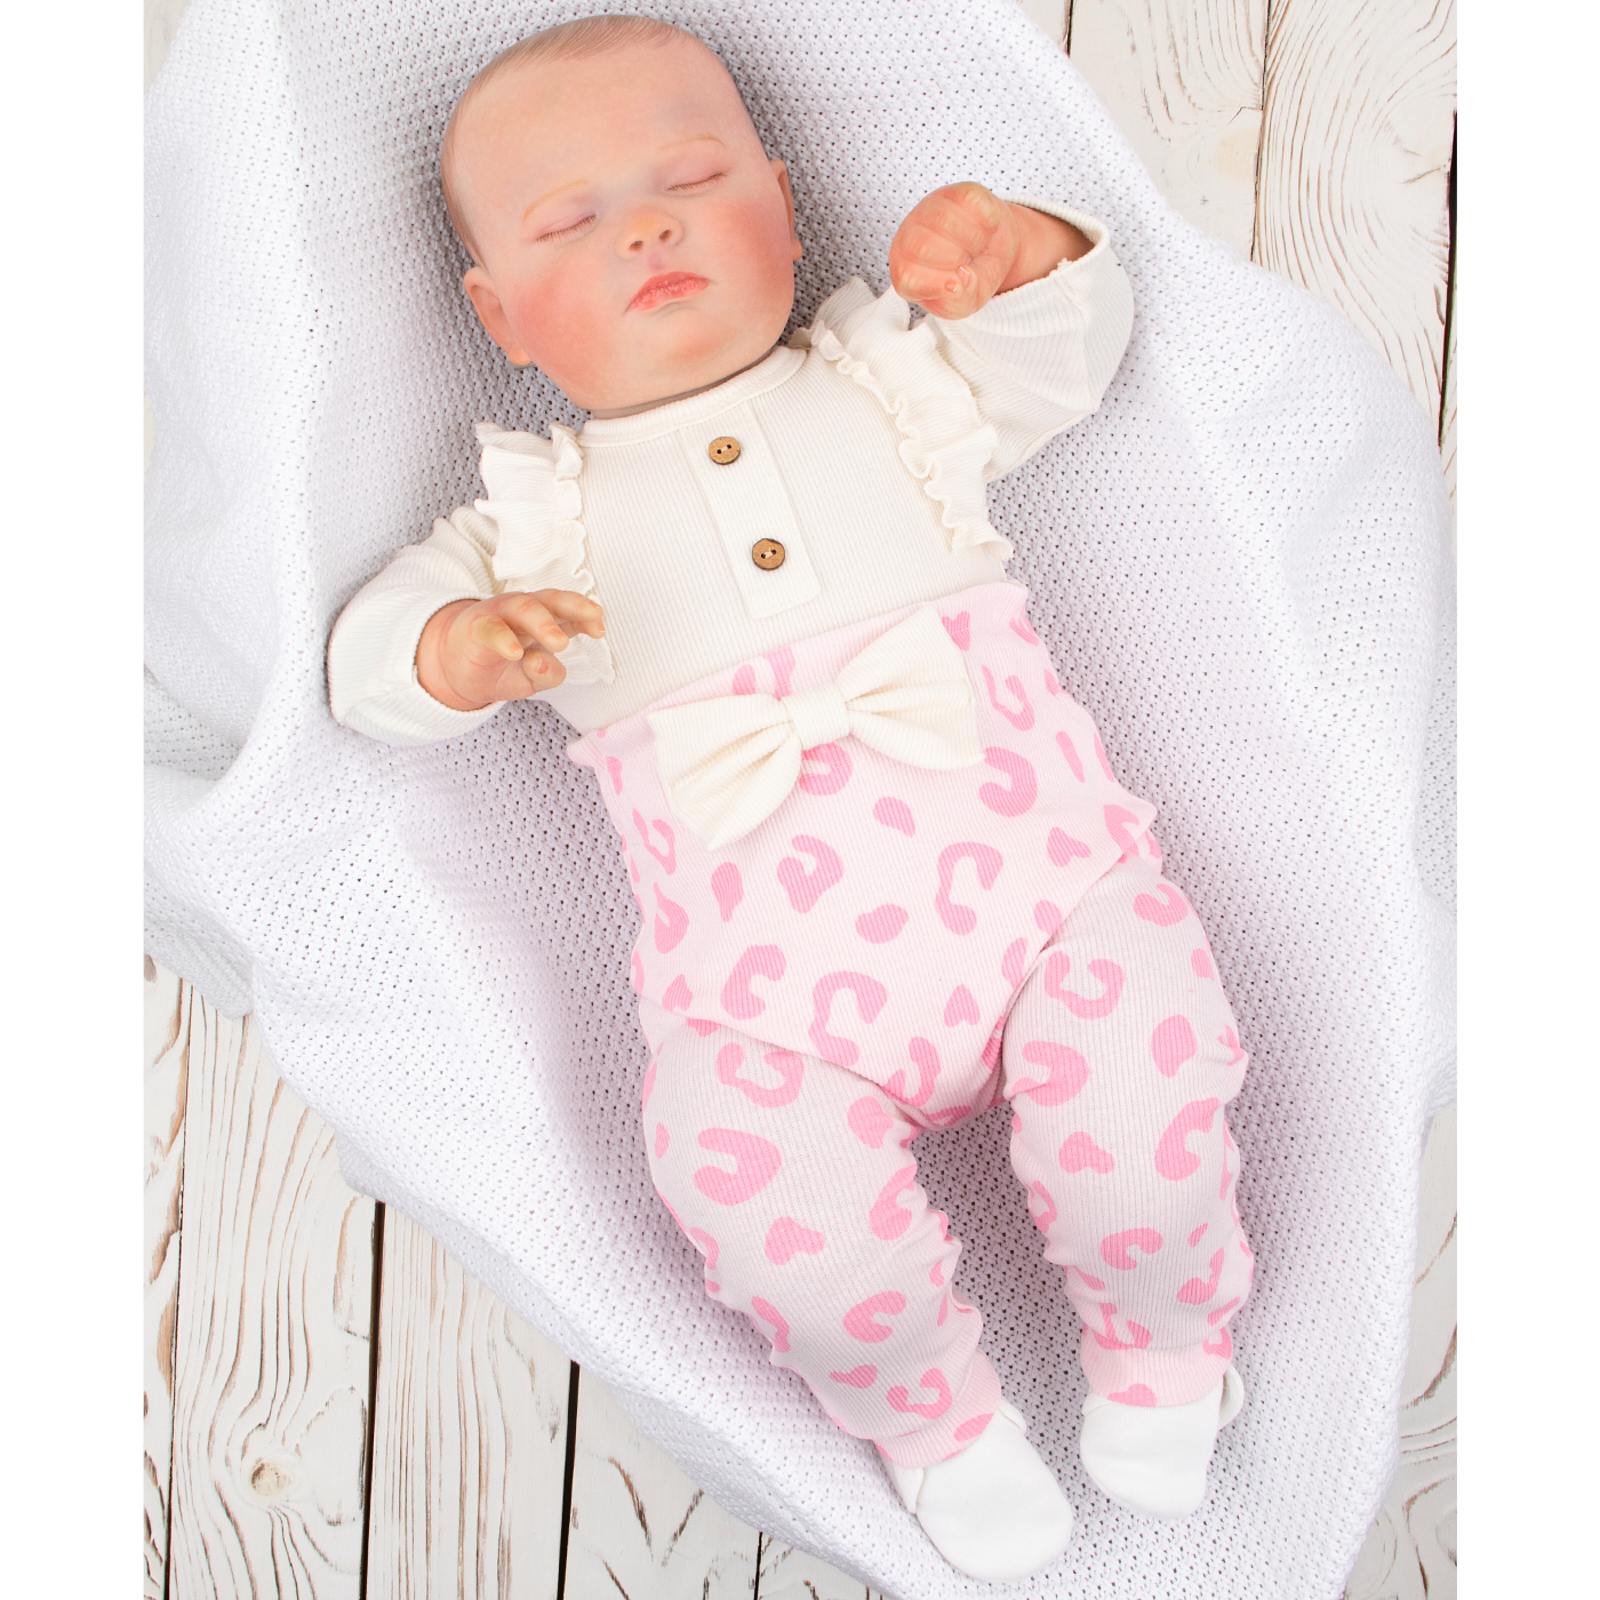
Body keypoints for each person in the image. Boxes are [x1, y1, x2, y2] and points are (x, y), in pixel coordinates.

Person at [328, 14, 1252, 1581]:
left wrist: (1019, 256)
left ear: (785, 205)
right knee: (761, 1202)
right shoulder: (532, 524)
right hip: (767, 1007)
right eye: (571, 221)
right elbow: (366, 669)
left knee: (1141, 1135)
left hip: (1051, 903)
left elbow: (1069, 354)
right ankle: (934, 1421)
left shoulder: (889, 389)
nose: (645, 227)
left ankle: (1167, 1349)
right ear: (502, 318)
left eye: (691, 180)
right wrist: (462, 648)